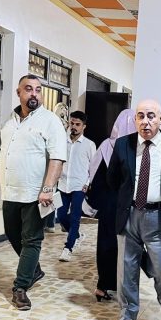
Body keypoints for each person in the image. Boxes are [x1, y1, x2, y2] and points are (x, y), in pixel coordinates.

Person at [106, 100, 161, 320]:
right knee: (126, 269)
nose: (146, 121)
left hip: (159, 217)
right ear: (135, 120)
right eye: (140, 116)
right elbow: (113, 179)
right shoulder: (123, 144)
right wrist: (127, 200)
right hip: (129, 214)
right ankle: (128, 316)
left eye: (151, 116)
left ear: (160, 119)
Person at [0, 75, 67, 310]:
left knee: (31, 240)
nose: (34, 94)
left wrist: (47, 188)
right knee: (12, 234)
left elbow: (57, 158)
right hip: (10, 191)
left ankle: (20, 287)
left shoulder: (50, 121)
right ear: (19, 92)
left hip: (36, 194)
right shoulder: (9, 122)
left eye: (38, 90)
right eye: (29, 89)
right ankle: (34, 269)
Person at [87, 109, 136, 301]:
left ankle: (103, 285)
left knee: (106, 244)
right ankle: (123, 286)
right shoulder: (137, 148)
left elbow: (95, 176)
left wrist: (96, 203)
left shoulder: (106, 146)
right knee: (128, 245)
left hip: (109, 204)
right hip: (130, 204)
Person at [57, 110, 96, 263]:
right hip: (62, 184)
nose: (73, 126)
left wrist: (87, 183)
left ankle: (68, 247)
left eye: (77, 124)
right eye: (72, 123)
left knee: (75, 217)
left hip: (79, 186)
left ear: (84, 126)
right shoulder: (62, 142)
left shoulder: (89, 145)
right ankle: (77, 235)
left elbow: (93, 167)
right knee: (61, 215)